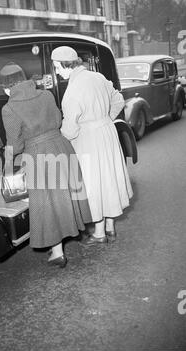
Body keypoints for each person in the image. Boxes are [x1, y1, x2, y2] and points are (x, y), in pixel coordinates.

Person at [0, 62, 92, 267]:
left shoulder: (9, 108)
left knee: (47, 202)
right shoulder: (47, 95)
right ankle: (66, 239)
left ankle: (57, 252)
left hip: (37, 154)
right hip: (61, 146)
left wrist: (6, 163)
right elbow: (58, 120)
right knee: (64, 195)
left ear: (6, 88)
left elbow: (14, 143)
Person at [51, 46, 133, 245]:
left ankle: (99, 233)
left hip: (89, 139)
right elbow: (119, 100)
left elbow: (70, 129)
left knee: (93, 185)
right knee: (109, 178)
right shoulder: (97, 77)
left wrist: (59, 137)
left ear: (65, 65)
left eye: (56, 66)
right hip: (107, 132)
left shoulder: (72, 91)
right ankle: (110, 227)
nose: (56, 71)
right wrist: (104, 119)